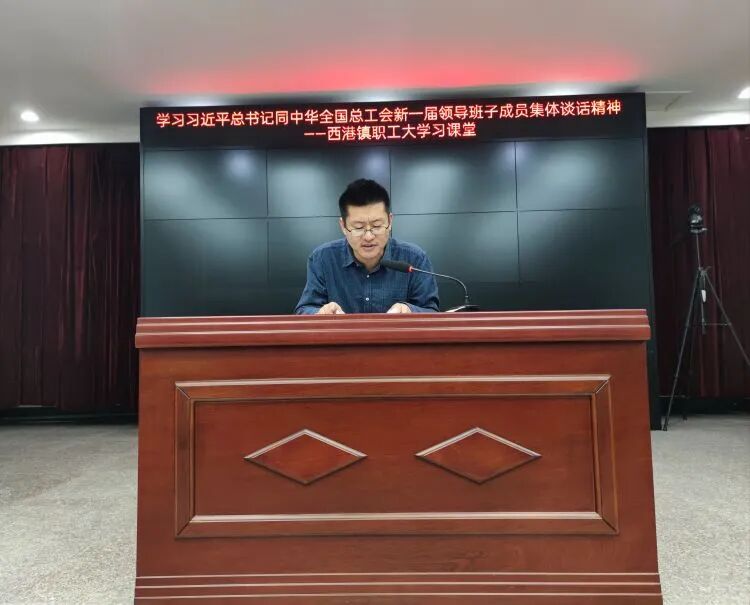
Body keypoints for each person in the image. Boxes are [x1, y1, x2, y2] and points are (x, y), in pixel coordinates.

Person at [295, 178, 439, 315]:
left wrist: (409, 311)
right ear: (343, 226)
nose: (369, 237)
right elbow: (304, 309)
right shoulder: (322, 258)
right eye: (358, 227)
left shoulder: (415, 259)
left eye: (377, 226)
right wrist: (320, 313)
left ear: (390, 221)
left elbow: (431, 311)